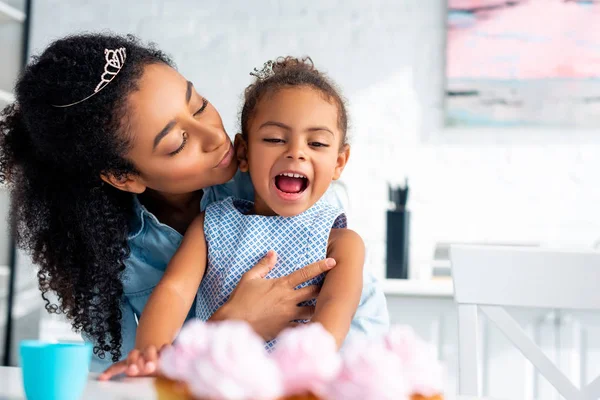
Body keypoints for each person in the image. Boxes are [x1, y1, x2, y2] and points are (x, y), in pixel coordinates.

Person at [0, 33, 389, 377]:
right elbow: (133, 373)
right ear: (124, 177)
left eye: (199, 105)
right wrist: (229, 325)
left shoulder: (280, 185)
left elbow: (355, 319)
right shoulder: (115, 253)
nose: (215, 137)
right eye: (176, 143)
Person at [124, 57, 365, 372]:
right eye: (275, 139)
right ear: (244, 153)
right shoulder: (211, 224)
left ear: (339, 162)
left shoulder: (342, 243)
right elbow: (174, 290)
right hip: (218, 381)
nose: (296, 151)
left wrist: (304, 369)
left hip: (292, 383)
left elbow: (336, 312)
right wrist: (150, 354)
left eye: (317, 143)